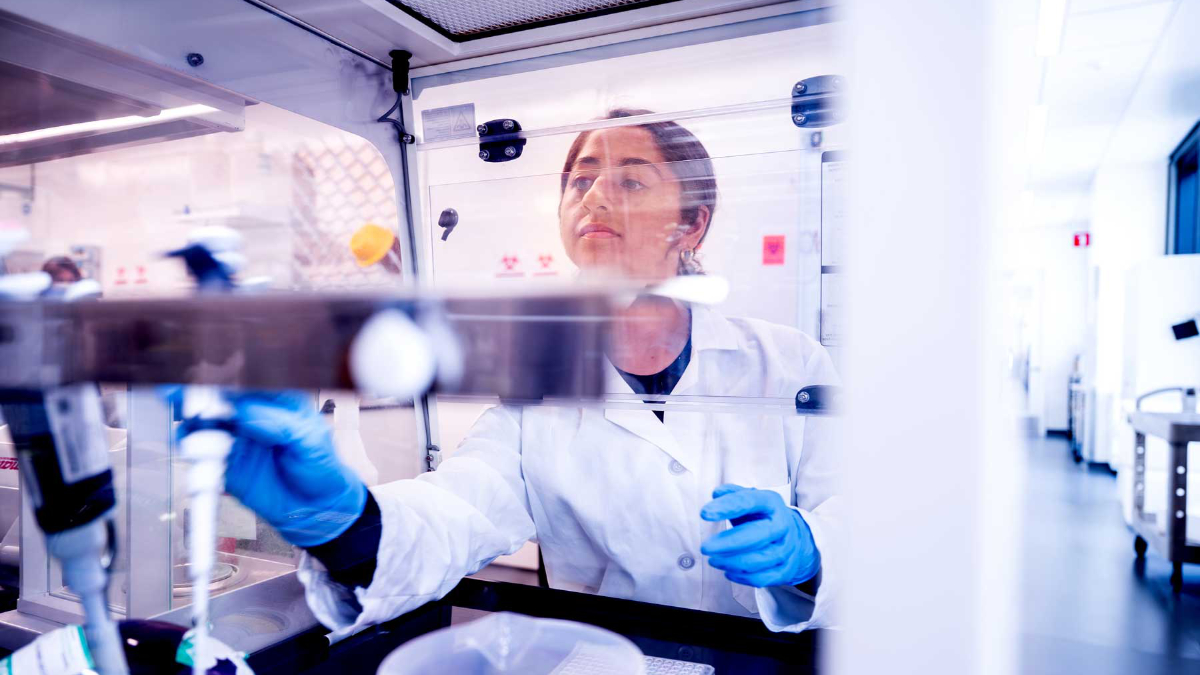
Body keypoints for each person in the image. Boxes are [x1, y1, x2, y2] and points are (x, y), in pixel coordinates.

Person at [196, 109, 840, 638]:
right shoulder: (536, 384)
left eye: (631, 181)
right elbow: (461, 505)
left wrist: (812, 553)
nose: (594, 197)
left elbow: (862, 515)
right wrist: (344, 523)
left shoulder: (788, 364)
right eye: (580, 180)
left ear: (691, 222)